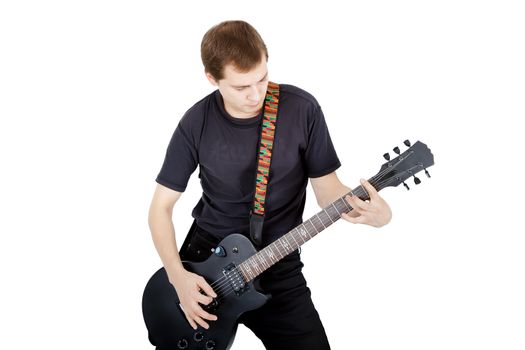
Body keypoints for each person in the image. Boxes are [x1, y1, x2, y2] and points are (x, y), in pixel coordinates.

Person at [148, 20, 392, 350]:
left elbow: (327, 191)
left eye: (262, 78)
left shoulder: (302, 109)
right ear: (212, 78)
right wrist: (178, 278)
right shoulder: (196, 122)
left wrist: (374, 213)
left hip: (278, 264)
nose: (256, 94)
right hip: (205, 266)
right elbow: (160, 209)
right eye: (240, 87)